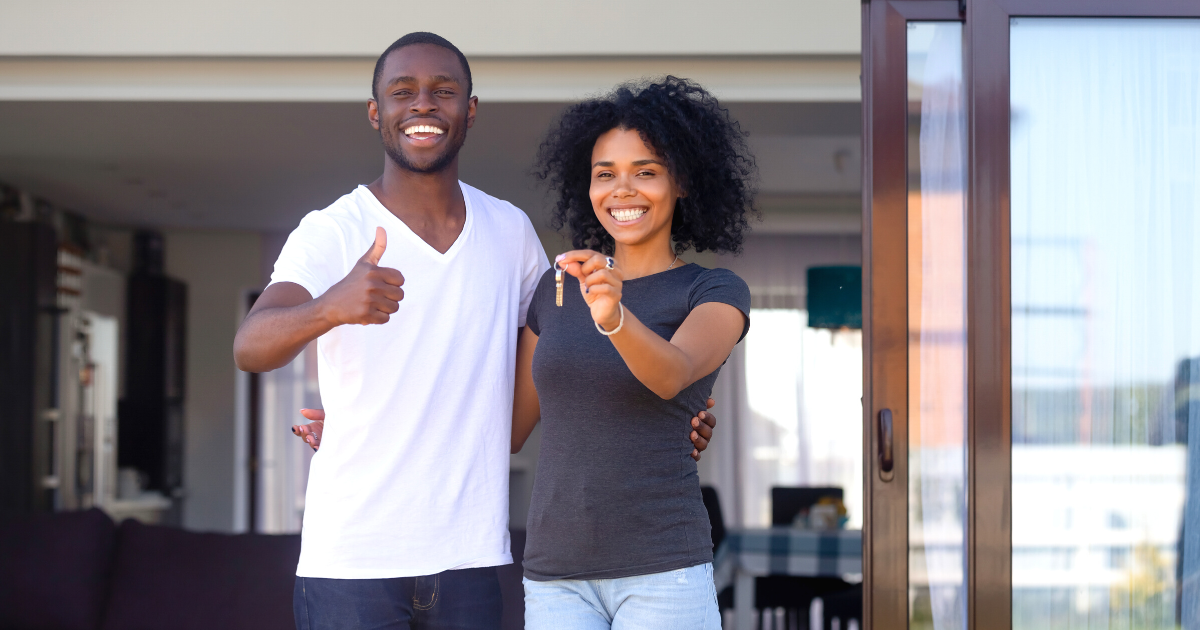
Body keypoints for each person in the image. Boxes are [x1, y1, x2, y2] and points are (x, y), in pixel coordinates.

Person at [234, 33, 716, 630]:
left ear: (470, 109)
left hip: (471, 557)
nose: (423, 106)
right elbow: (250, 347)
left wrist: (673, 417)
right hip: (352, 561)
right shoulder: (332, 230)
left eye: (444, 92)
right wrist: (329, 308)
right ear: (375, 112)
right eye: (402, 91)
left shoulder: (509, 230)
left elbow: (568, 355)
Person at [512, 77, 756, 629]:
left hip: (662, 571)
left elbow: (673, 375)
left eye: (645, 171)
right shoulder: (556, 293)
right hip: (555, 575)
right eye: (606, 175)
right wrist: (366, 423)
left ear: (682, 183)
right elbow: (506, 429)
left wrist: (615, 318)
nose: (623, 190)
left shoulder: (713, 291)